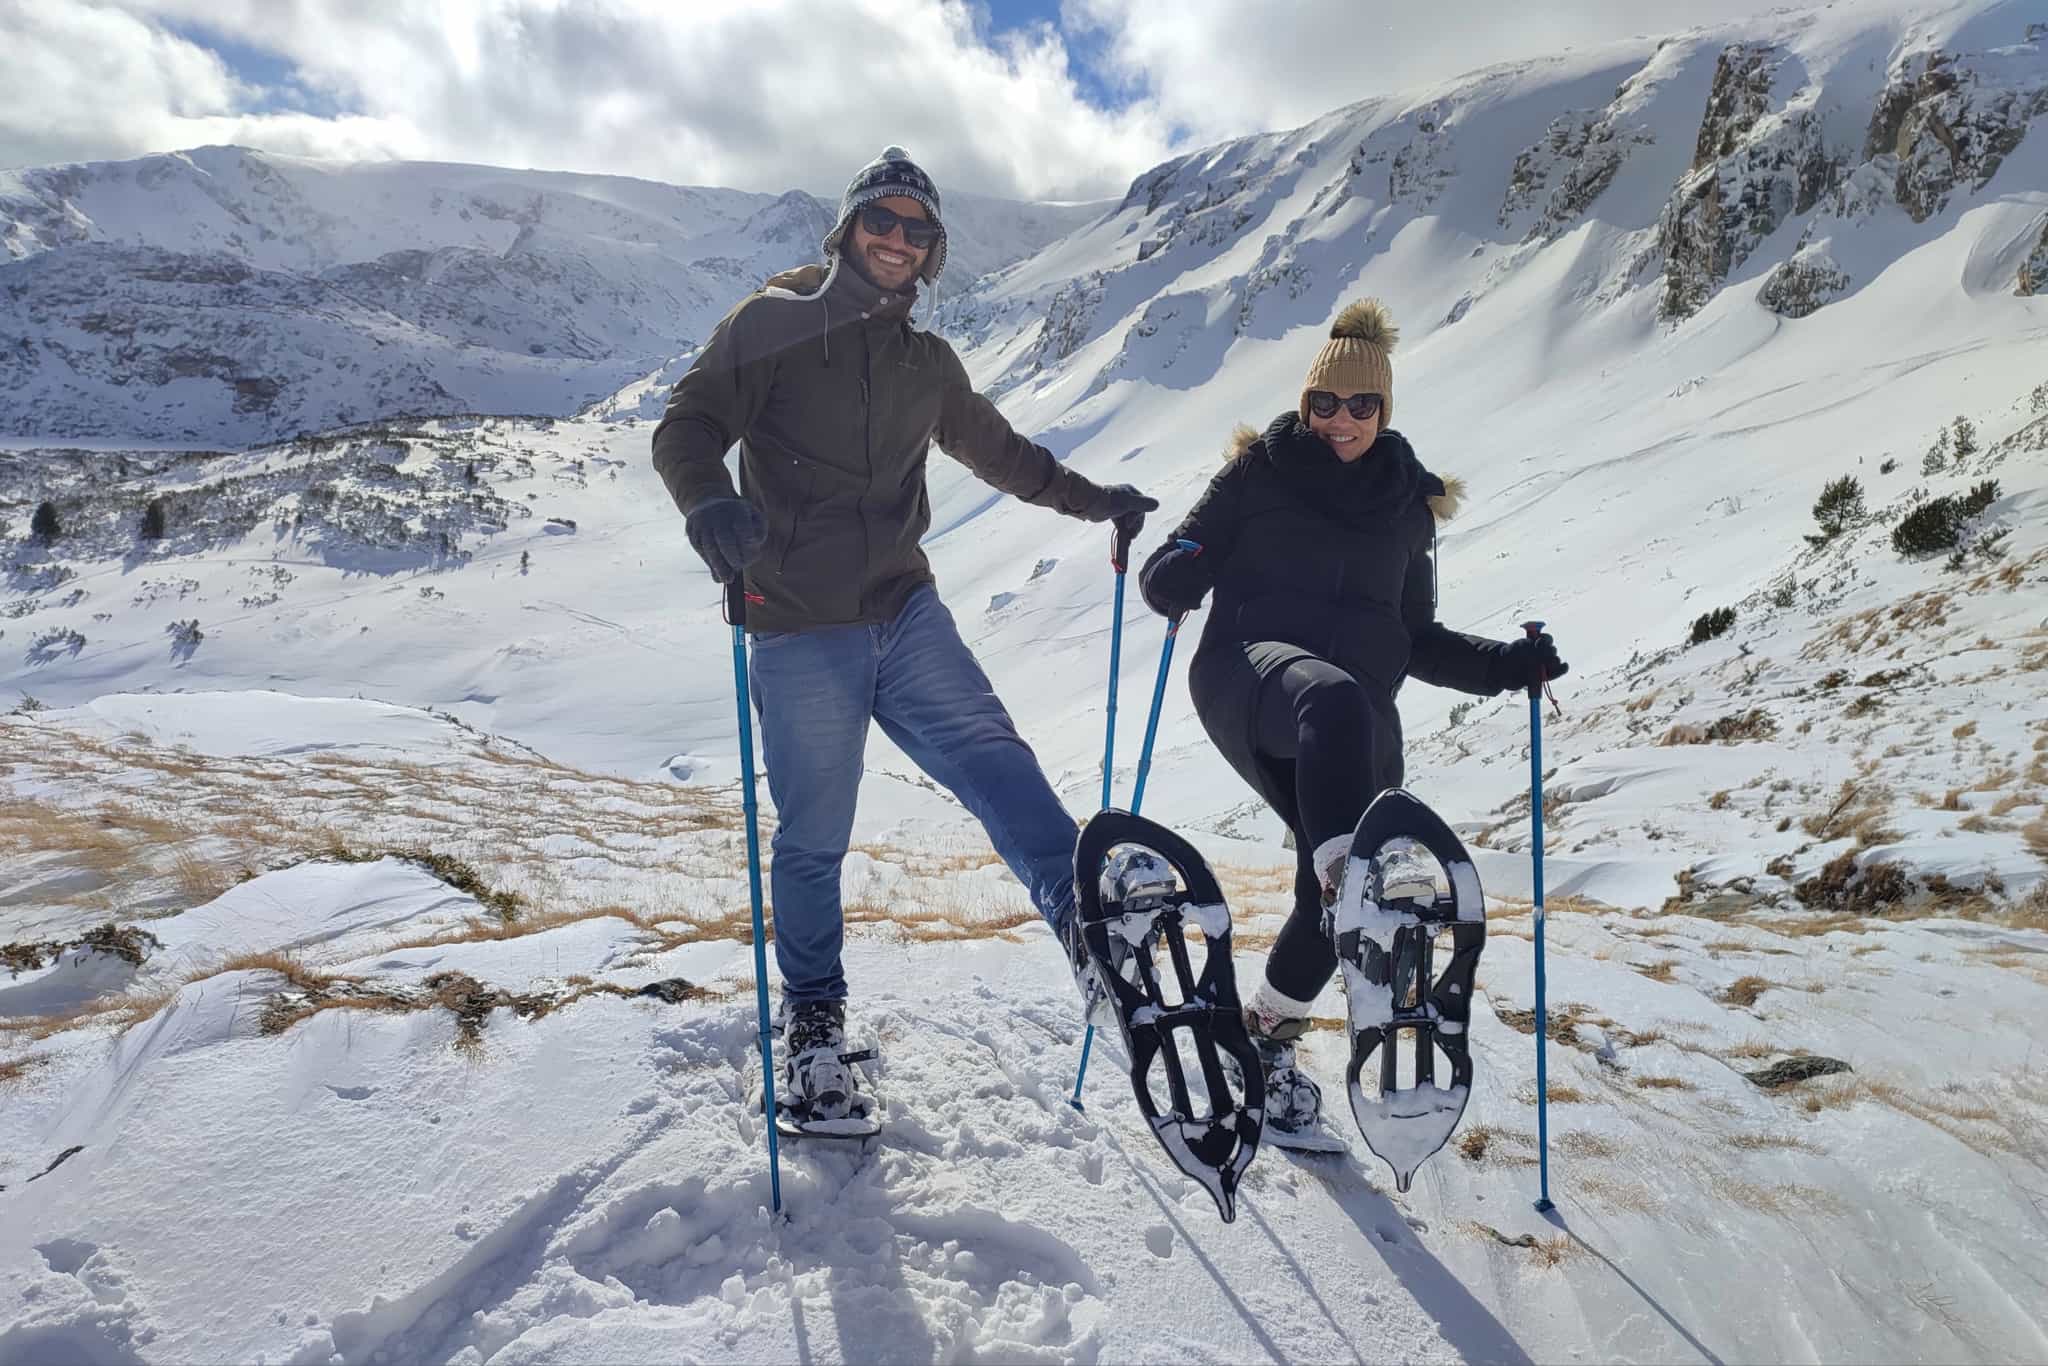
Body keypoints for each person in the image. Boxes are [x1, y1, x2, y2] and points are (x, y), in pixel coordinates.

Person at [651, 147, 1156, 1120]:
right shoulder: (773, 325)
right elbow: (689, 422)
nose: (893, 238)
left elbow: (1002, 453)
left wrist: (1097, 503)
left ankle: (1090, 935)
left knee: (991, 754)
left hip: (901, 607)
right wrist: (709, 504)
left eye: (914, 229)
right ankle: (812, 1030)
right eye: (878, 221)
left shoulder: (927, 364)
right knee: (813, 839)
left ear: (930, 254)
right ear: (846, 231)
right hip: (797, 625)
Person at [1136, 299, 1566, 1141]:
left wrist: (1507, 669)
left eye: (1360, 406)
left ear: (1385, 411)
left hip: (1355, 723)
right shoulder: (1258, 473)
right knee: (1331, 713)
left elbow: (1413, 639)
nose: (1340, 420)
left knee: (1320, 885)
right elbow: (1174, 561)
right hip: (1249, 676)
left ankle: (1262, 1037)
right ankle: (1356, 886)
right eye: (1324, 404)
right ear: (1305, 406)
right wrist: (1173, 573)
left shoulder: (1409, 510)